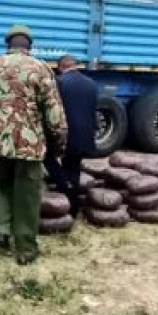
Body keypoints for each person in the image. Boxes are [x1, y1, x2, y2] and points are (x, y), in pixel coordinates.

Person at [0, 25, 67, 265]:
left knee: (2, 187)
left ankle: (2, 231)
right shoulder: (41, 69)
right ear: (29, 45)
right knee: (27, 196)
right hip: (28, 145)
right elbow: (54, 114)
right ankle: (26, 250)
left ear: (8, 44)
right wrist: (59, 145)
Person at [44, 54, 98, 218]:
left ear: (60, 67)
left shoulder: (59, 82)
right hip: (86, 136)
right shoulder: (92, 84)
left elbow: (53, 112)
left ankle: (65, 191)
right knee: (74, 168)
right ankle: (73, 209)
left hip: (67, 135)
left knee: (47, 159)